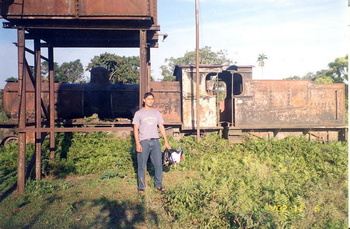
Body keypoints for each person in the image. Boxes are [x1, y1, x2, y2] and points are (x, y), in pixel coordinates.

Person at [132, 92, 171, 194]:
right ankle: (141, 187)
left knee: (158, 164)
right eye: (148, 99)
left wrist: (166, 142)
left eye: (152, 99)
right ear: (144, 100)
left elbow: (161, 127)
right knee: (141, 165)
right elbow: (135, 129)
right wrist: (137, 143)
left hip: (155, 142)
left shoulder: (156, 113)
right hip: (144, 142)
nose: (151, 101)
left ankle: (159, 185)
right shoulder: (139, 113)